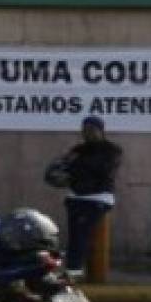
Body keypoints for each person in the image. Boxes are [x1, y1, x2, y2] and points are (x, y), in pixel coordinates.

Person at [59, 115, 122, 278]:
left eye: (92, 130)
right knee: (74, 236)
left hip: (98, 198)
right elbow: (62, 166)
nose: (87, 133)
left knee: (81, 233)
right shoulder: (78, 150)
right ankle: (74, 269)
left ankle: (73, 271)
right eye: (84, 129)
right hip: (75, 197)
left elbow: (103, 170)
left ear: (101, 131)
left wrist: (78, 168)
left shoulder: (112, 150)